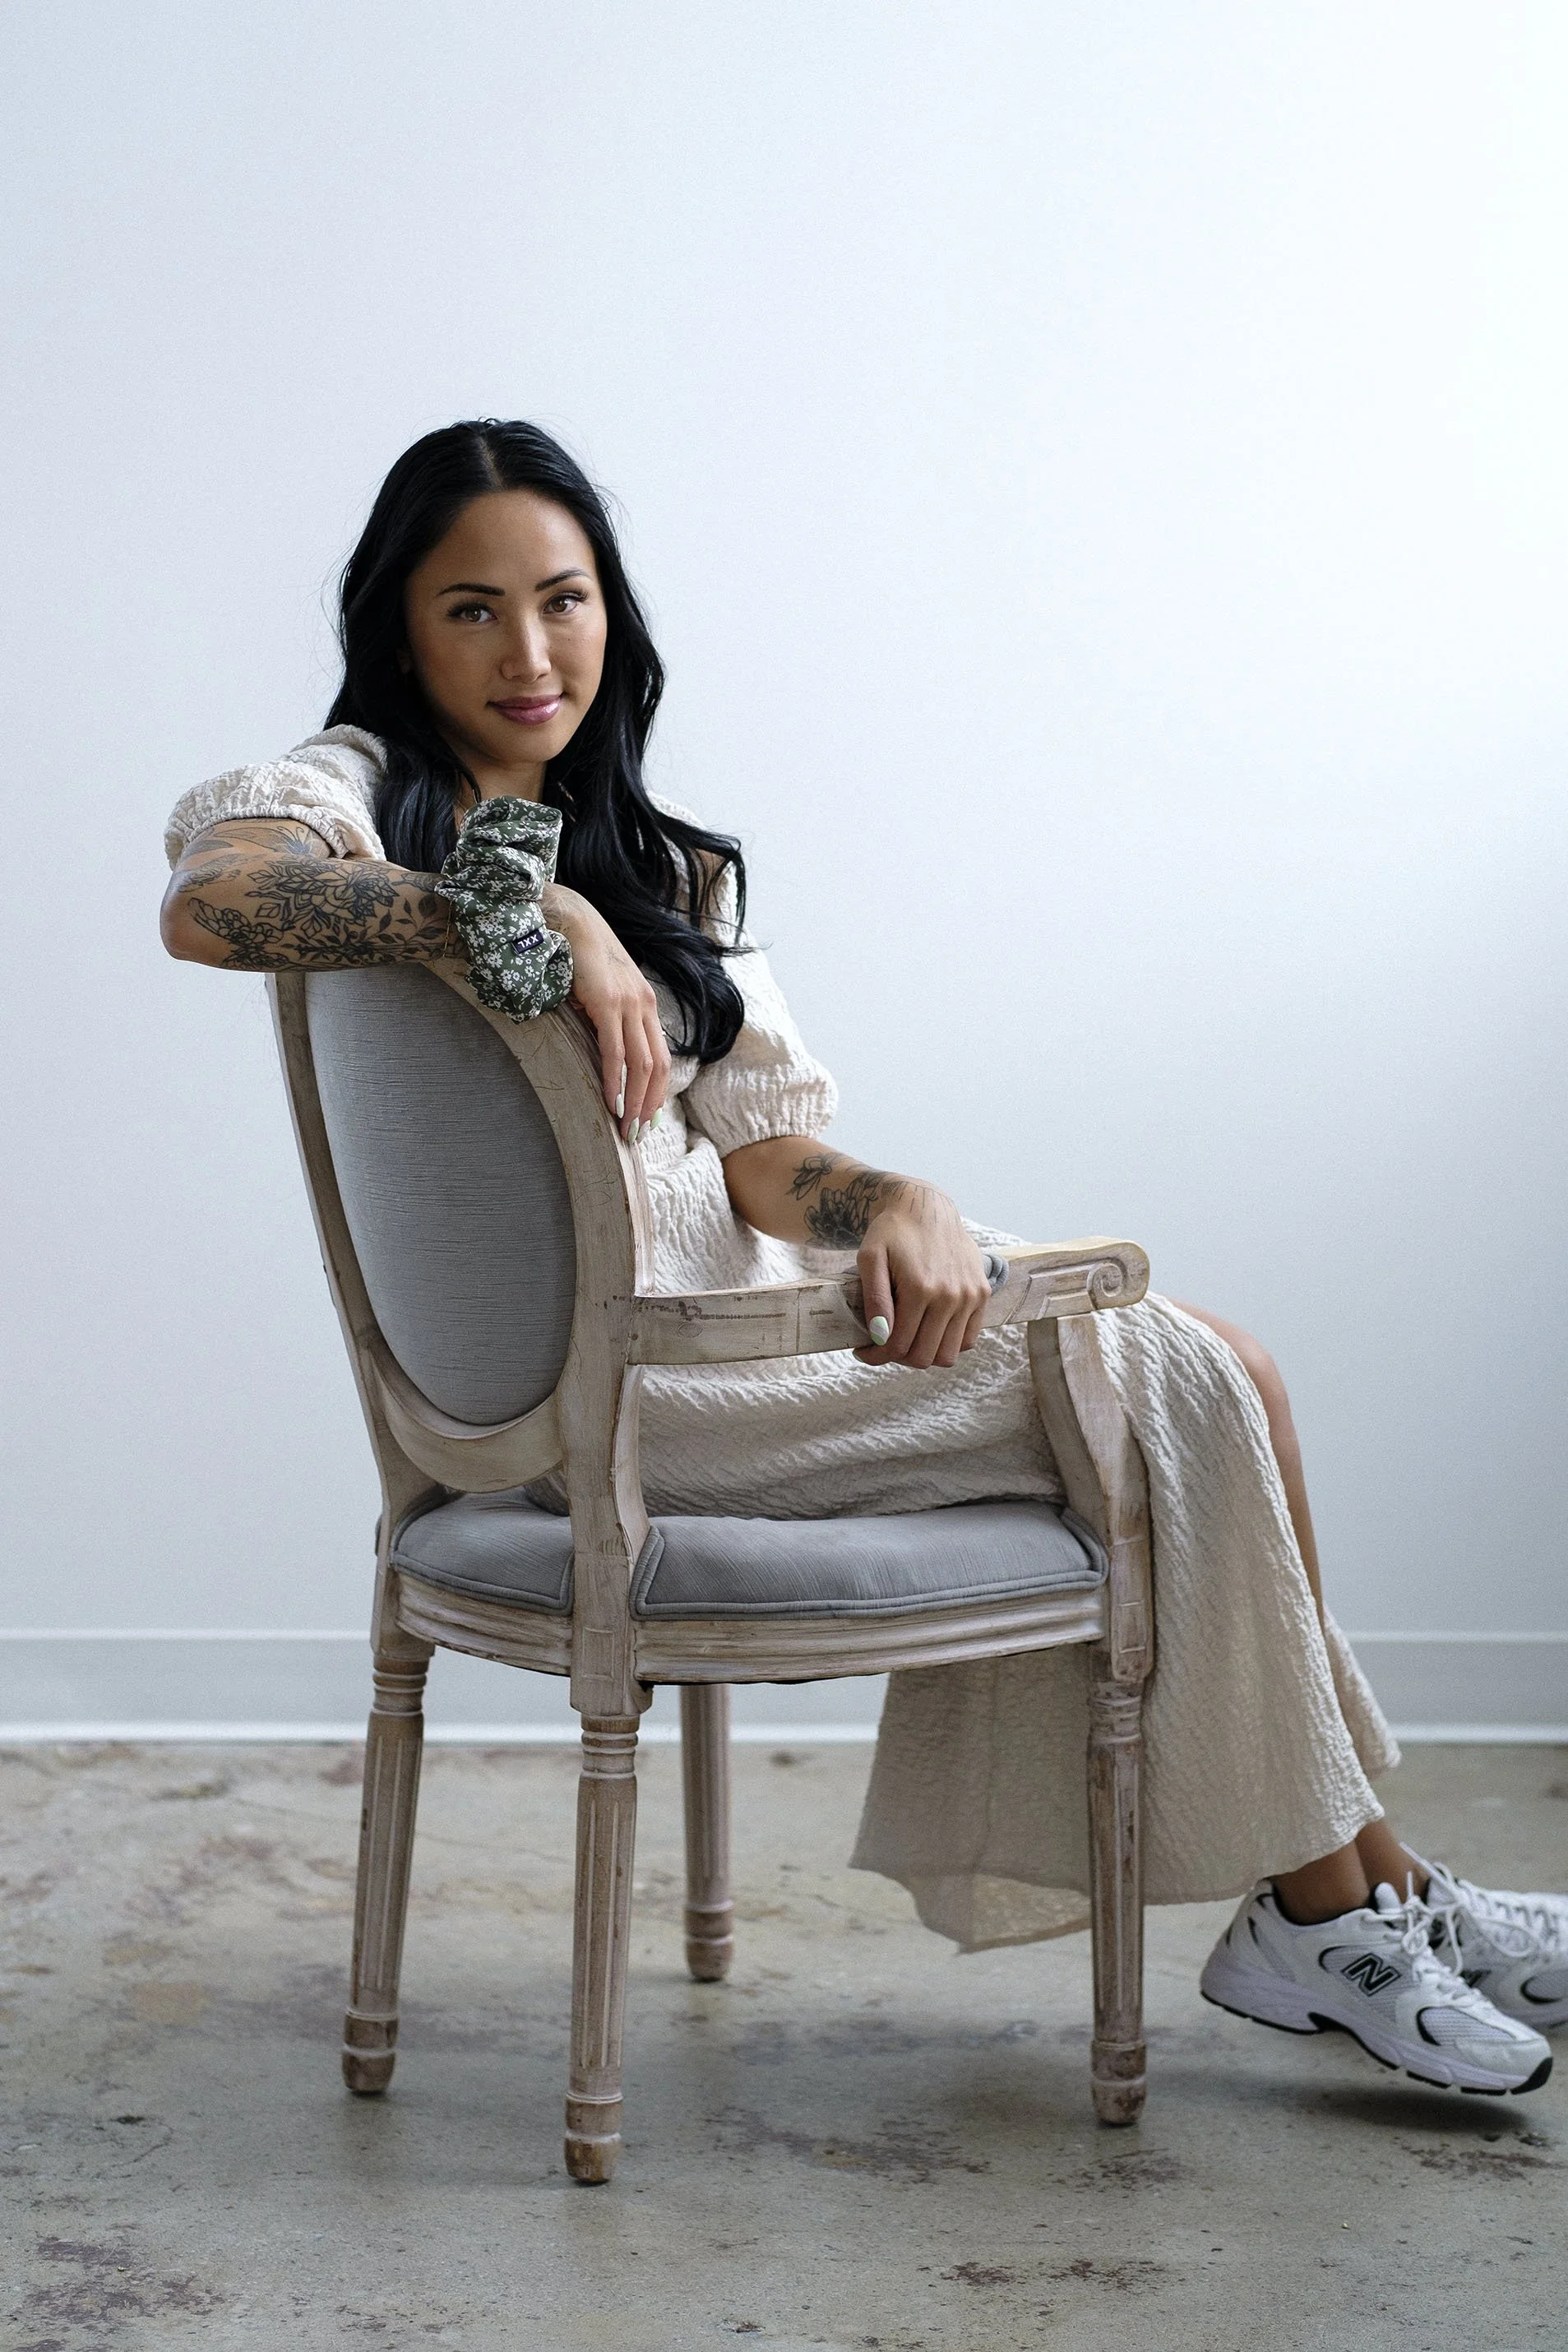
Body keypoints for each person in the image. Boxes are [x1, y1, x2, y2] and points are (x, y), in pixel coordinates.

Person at [162, 418, 1568, 2099]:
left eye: (563, 598)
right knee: (1177, 1368)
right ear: (400, 624)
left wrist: (892, 1195)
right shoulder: (344, 790)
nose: (528, 653)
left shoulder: (659, 858)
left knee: (1215, 1356)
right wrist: (520, 910)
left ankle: (1366, 1891)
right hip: (638, 1388)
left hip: (740, 1335)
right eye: (472, 608)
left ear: (612, 612)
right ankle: (1330, 1913)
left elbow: (765, 1152)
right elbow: (215, 899)